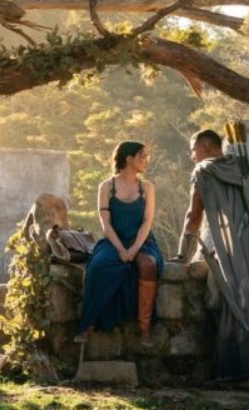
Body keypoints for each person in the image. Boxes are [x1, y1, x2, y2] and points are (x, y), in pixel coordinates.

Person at [175, 128, 249, 388]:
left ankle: (243, 375)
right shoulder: (246, 169)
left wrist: (180, 255)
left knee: (234, 304)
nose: (191, 155)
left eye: (193, 149)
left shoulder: (204, 171)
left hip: (235, 253)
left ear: (206, 147)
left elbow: (193, 216)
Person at [73, 141, 163, 347]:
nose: (146, 161)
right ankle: (88, 324)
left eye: (147, 156)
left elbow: (147, 222)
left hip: (142, 241)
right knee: (97, 266)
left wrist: (133, 249)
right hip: (114, 241)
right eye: (142, 156)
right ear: (129, 158)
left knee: (149, 265)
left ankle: (145, 329)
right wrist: (122, 249)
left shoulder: (147, 187)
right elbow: (105, 223)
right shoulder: (106, 187)